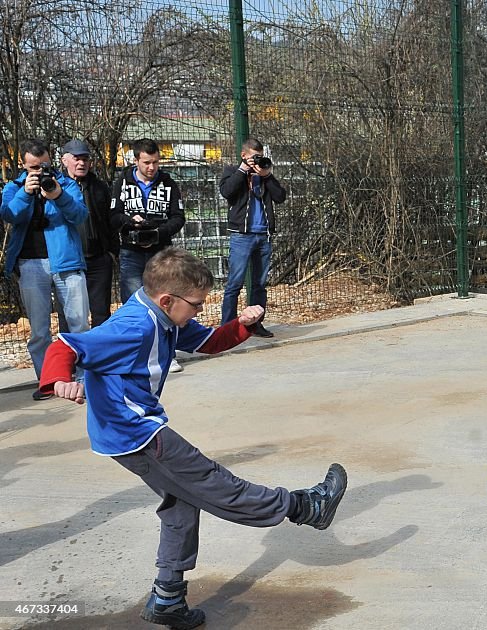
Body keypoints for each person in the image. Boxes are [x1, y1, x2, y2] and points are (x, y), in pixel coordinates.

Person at [38, 248, 347, 629]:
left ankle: (167, 599)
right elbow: (65, 346)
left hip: (129, 431)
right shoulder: (134, 327)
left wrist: (244, 325)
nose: (200, 310)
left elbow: (210, 342)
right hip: (135, 433)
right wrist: (59, 382)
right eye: (197, 304)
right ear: (167, 300)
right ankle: (304, 508)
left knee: (181, 507)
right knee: (215, 483)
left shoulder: (166, 317)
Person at [1, 138, 90, 401]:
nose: (40, 173)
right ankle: (47, 381)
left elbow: (80, 216)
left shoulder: (67, 185)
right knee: (39, 330)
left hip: (67, 263)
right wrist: (25, 193)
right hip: (30, 265)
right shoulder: (13, 187)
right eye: (34, 168)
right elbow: (9, 215)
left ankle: (85, 378)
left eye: (45, 167)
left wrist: (58, 196)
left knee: (79, 325)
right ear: (23, 165)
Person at [111, 137, 186, 371]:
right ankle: (136, 354)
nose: (151, 167)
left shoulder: (168, 182)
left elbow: (179, 217)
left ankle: (167, 353)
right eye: (146, 162)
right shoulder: (121, 182)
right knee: (134, 302)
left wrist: (157, 231)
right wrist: (128, 222)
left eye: (155, 162)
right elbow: (112, 217)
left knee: (166, 300)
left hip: (160, 251)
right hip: (131, 251)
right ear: (136, 160)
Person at [219, 138, 287, 338]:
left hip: (263, 235)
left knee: (259, 283)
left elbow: (280, 197)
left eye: (259, 156)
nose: (256, 160)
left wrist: (267, 176)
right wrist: (243, 170)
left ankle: (256, 324)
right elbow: (227, 191)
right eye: (253, 157)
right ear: (243, 155)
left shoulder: (264, 174)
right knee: (234, 283)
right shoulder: (232, 172)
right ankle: (227, 328)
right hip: (241, 235)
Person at [60, 139, 116, 327]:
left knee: (101, 314)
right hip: (70, 261)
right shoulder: (55, 187)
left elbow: (111, 220)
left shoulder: (100, 187)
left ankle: (101, 355)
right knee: (70, 316)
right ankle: (71, 356)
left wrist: (112, 253)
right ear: (64, 160)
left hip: (99, 259)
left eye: (85, 159)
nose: (82, 163)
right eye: (77, 158)